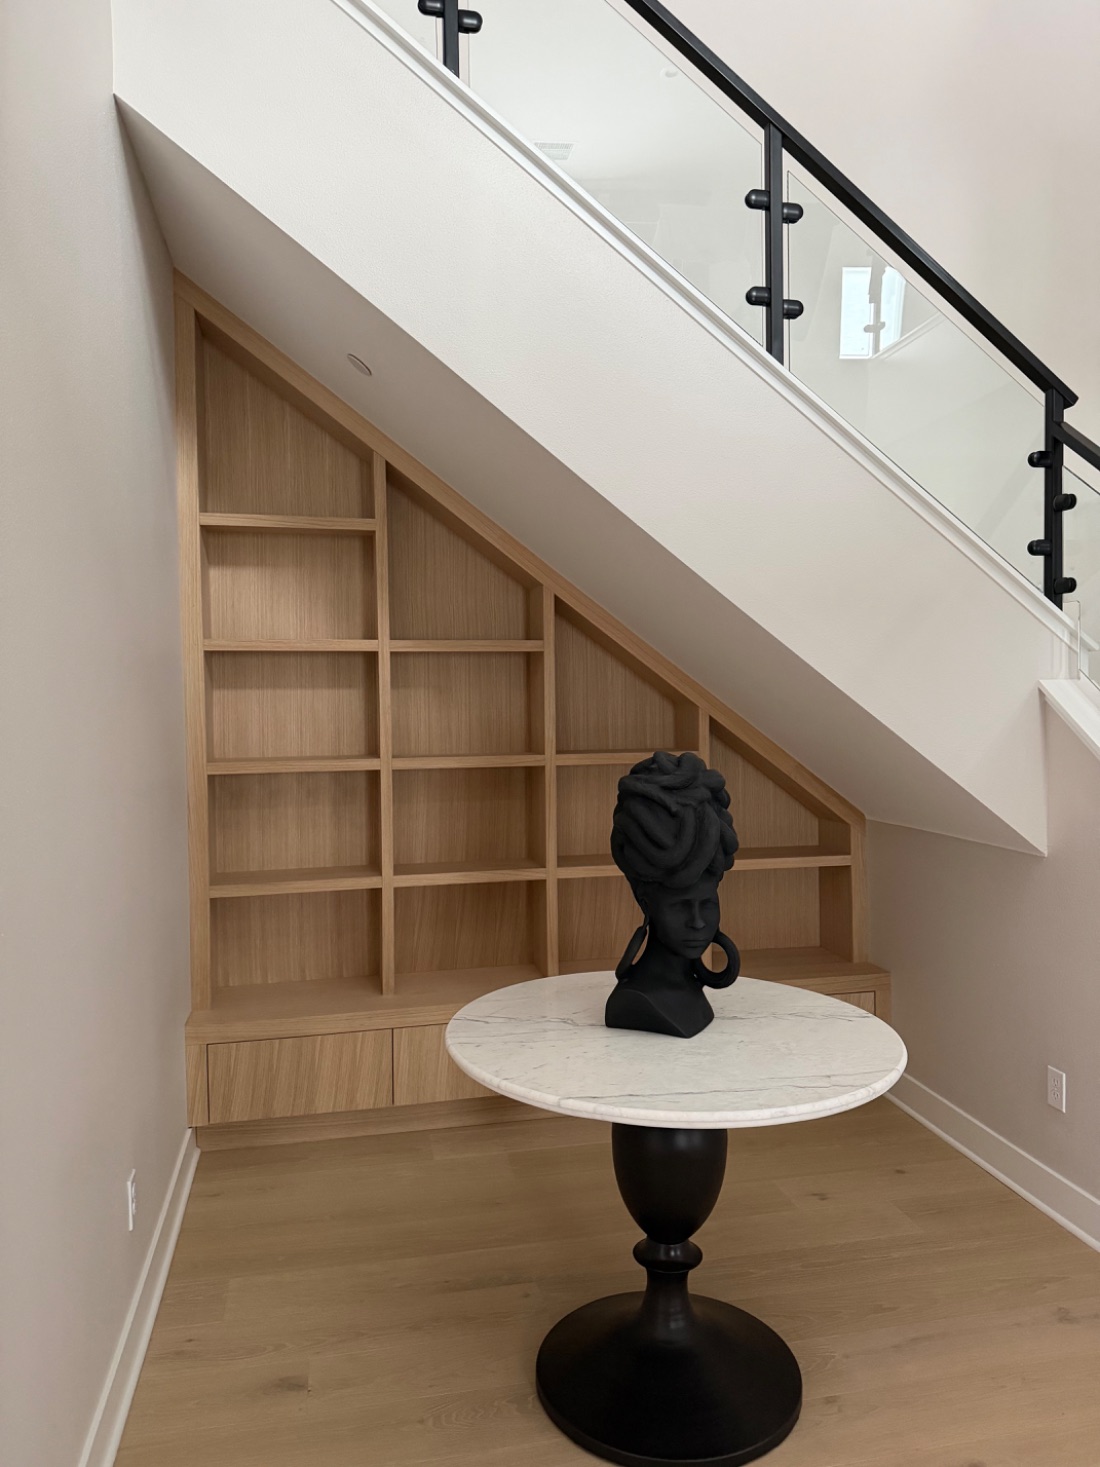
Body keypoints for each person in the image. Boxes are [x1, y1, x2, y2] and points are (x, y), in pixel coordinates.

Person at [607, 751, 740, 1038]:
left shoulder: (691, 986)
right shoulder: (635, 1001)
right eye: (680, 906)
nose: (698, 922)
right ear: (646, 903)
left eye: (707, 905)